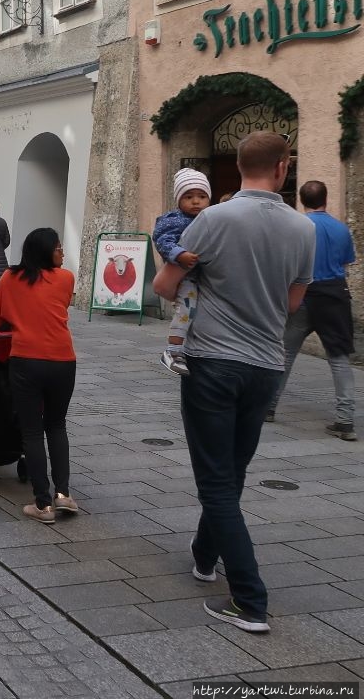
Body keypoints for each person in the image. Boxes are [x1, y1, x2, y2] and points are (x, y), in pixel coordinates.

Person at [153, 131, 315, 635]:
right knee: (233, 471)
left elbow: (164, 287)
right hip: (267, 365)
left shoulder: (212, 220)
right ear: (283, 169)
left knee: (216, 480)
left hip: (213, 362)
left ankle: (249, 600)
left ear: (239, 167)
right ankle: (205, 556)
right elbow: (292, 305)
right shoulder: (303, 229)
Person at [0, 227, 79, 525]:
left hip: (26, 362)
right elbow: (58, 307)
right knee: (57, 426)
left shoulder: (10, 278)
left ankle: (43, 504)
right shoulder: (66, 278)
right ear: (44, 250)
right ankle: (63, 495)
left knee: (32, 431)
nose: (62, 252)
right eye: (58, 247)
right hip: (63, 361)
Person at [268, 180, 358, 438]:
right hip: (335, 296)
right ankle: (345, 420)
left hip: (304, 295)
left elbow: (288, 263)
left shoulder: (299, 227)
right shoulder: (341, 228)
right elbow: (346, 262)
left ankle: (269, 406)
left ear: (301, 200)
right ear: (326, 199)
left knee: (285, 354)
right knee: (339, 359)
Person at [152, 169, 212, 376]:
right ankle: (173, 350)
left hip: (203, 276)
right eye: (189, 197)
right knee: (186, 308)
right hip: (185, 276)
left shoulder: (210, 218)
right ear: (178, 200)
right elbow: (162, 241)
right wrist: (180, 254)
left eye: (202, 196)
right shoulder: (173, 220)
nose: (196, 201)